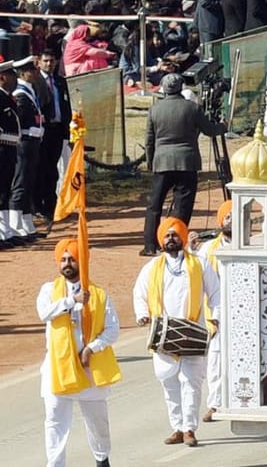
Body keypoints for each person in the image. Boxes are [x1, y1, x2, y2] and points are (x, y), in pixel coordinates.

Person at [133, 217, 220, 448]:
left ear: (183, 238)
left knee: (191, 382)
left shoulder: (199, 264)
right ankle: (178, 427)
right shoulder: (152, 268)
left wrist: (215, 318)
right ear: (161, 240)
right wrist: (142, 314)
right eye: (167, 235)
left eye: (175, 235)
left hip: (192, 332)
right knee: (169, 382)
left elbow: (216, 292)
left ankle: (190, 428)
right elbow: (139, 293)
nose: (171, 239)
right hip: (164, 334)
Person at [38, 239, 122, 467]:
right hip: (58, 369)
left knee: (97, 422)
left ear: (82, 262)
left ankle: (101, 458)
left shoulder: (98, 294)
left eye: (72, 259)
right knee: (54, 421)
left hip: (88, 369)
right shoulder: (49, 290)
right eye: (63, 259)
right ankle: (55, 464)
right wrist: (70, 301)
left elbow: (113, 328)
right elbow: (44, 313)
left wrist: (92, 348)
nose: (67, 264)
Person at [140, 73, 227, 256]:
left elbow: (149, 140)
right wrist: (223, 126)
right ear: (181, 88)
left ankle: (149, 245)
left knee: (154, 205)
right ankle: (176, 239)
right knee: (183, 204)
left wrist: (151, 162)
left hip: (162, 162)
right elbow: (209, 130)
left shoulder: (154, 110)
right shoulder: (192, 108)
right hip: (187, 161)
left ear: (163, 88)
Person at [192, 200, 232, 424]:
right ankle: (215, 404)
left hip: (246, 311)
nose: (231, 220)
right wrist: (189, 248)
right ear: (221, 222)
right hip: (218, 313)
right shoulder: (209, 249)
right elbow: (192, 268)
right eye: (228, 217)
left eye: (236, 216)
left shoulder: (252, 243)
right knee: (216, 361)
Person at [34, 49, 71, 227]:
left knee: (52, 170)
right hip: (42, 131)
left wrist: (68, 130)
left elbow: (66, 106)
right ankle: (41, 205)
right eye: (46, 61)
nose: (49, 64)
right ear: (39, 62)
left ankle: (51, 204)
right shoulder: (35, 82)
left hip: (57, 130)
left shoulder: (60, 82)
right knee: (42, 169)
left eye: (52, 61)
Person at [13, 56, 45, 238]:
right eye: (31, 70)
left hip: (33, 142)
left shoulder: (29, 90)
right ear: (23, 73)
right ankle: (15, 224)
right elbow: (20, 120)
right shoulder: (20, 93)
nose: (34, 73)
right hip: (24, 142)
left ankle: (26, 223)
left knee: (29, 183)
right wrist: (33, 128)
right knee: (20, 183)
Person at [0, 71, 20, 249]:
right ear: (2, 78)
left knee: (5, 192)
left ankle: (5, 231)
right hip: (2, 150)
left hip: (9, 149)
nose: (15, 78)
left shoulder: (7, 98)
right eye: (11, 75)